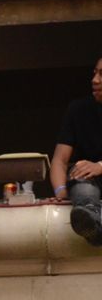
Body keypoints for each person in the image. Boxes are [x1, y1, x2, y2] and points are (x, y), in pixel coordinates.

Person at [50, 56, 102, 245]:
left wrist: (99, 166)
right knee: (81, 184)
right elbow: (59, 160)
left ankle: (96, 229)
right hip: (88, 183)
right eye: (95, 73)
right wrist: (61, 191)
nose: (95, 80)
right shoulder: (78, 109)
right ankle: (92, 220)